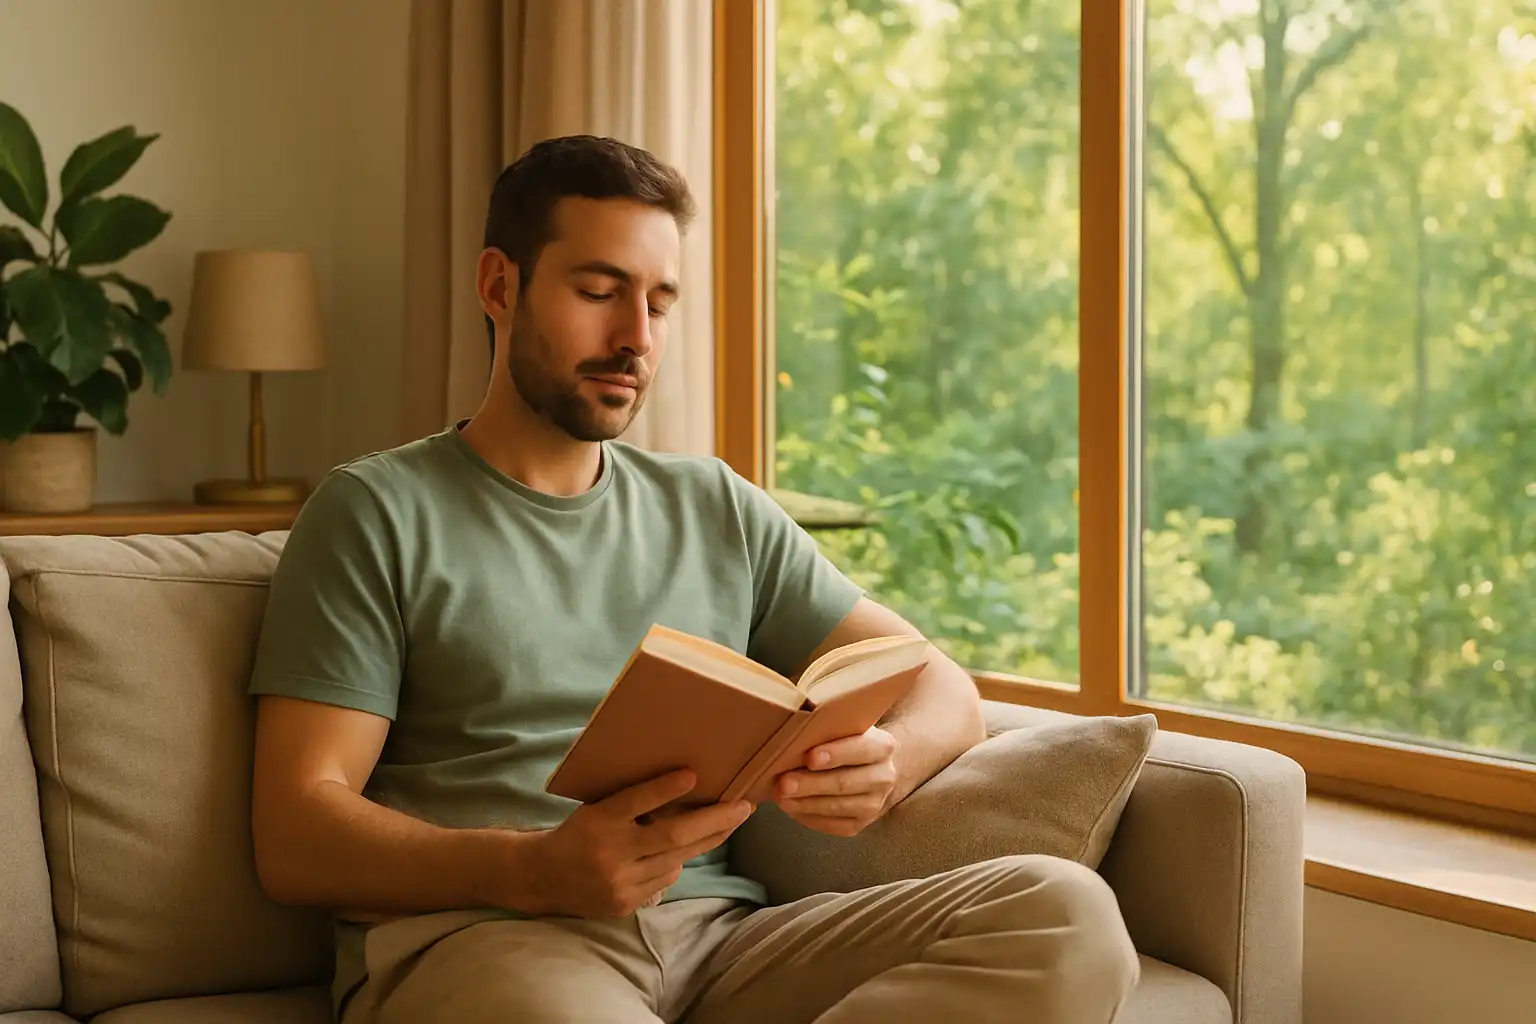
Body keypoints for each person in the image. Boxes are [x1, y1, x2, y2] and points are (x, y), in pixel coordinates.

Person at [246, 134, 1138, 1024]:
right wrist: (528, 868)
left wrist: (890, 763)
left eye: (660, 304)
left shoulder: (713, 504)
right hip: (487, 940)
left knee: (1063, 913)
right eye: (599, 292)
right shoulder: (375, 510)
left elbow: (938, 682)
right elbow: (295, 832)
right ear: (499, 286)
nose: (634, 337)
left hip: (720, 942)